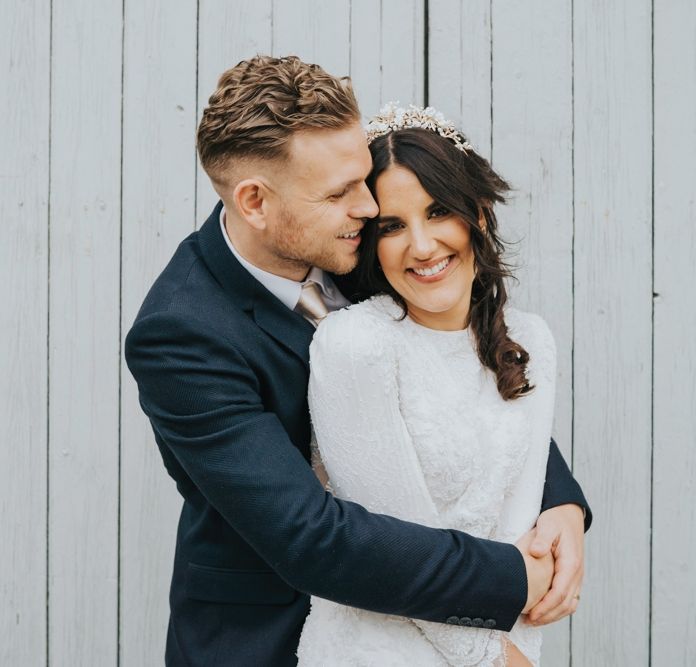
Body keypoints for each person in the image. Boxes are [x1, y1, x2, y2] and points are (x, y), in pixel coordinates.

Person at [125, 56, 591, 666]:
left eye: (362, 178)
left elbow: (460, 377)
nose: (370, 207)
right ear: (255, 202)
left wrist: (561, 501)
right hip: (267, 640)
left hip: (421, 629)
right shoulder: (181, 334)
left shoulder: (360, 246)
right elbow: (310, 536)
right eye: (341, 192)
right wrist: (510, 581)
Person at [297, 104, 570, 666]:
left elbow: (520, 527)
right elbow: (392, 549)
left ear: (481, 214)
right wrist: (494, 660)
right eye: (392, 226)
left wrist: (520, 648)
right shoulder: (355, 345)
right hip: (375, 649)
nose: (421, 247)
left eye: (439, 211)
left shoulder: (532, 341)